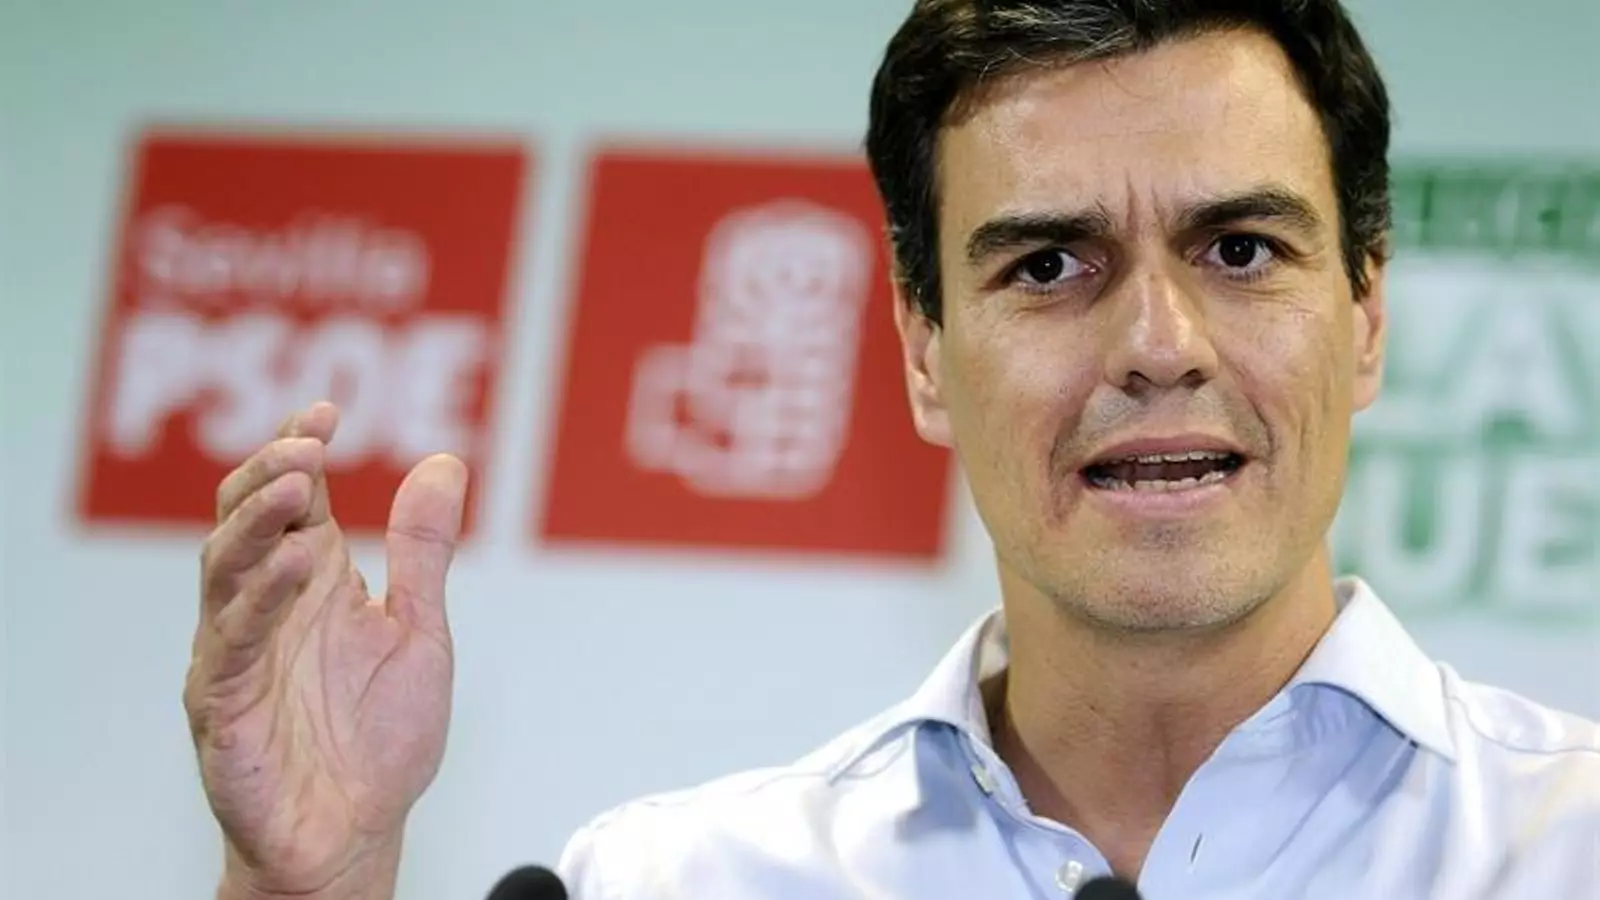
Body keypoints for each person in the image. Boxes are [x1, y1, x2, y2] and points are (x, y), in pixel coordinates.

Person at [183, 2, 1600, 898]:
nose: (1159, 344)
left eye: (1239, 249)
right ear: (925, 354)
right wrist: (310, 884)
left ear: (1365, 315)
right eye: (1049, 265)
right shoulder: (684, 884)